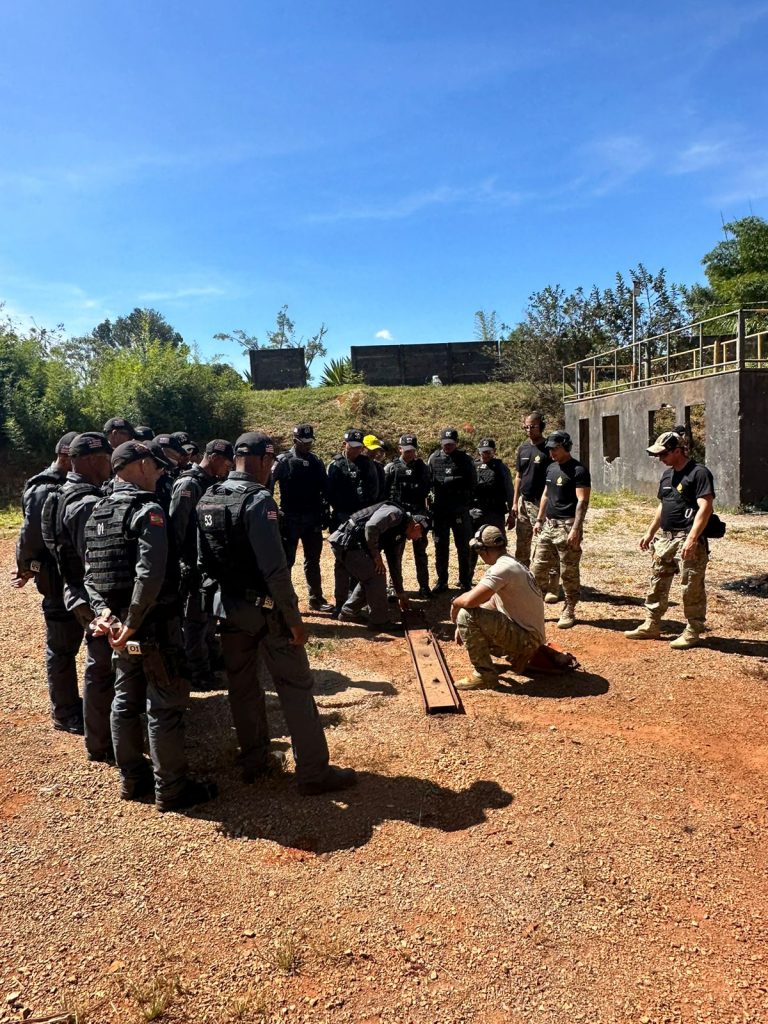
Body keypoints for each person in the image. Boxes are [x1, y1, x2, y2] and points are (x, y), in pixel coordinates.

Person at [197, 431, 356, 796]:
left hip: (229, 610)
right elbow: (275, 571)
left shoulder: (209, 496)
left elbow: (203, 564)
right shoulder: (258, 500)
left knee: (242, 687)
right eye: (270, 462)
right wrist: (294, 621)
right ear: (264, 460)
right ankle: (313, 773)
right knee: (295, 687)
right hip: (267, 613)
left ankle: (255, 762)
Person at [84, 440, 216, 812]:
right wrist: (130, 623)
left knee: (125, 702)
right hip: (152, 625)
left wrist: (105, 616)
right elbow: (150, 575)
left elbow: (90, 575)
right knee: (164, 705)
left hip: (117, 629)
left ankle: (132, 779)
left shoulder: (98, 510)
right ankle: (171, 789)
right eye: (155, 466)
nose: (159, 473)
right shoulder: (148, 510)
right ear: (140, 465)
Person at [41, 431, 116, 761]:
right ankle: (102, 741)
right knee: (101, 668)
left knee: (95, 665)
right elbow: (95, 560)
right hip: (90, 595)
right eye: (105, 459)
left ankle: (100, 735)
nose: (109, 465)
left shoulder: (59, 494)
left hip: (74, 589)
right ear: (90, 461)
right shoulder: (86, 503)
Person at [13, 431, 84, 734]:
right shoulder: (44, 487)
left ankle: (75, 705)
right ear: (67, 456)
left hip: (73, 576)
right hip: (55, 578)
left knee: (74, 646)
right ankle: (65, 712)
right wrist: (26, 566)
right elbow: (29, 536)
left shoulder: (70, 483)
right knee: (61, 649)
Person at [624, 431, 715, 649]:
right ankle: (652, 624)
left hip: (687, 537)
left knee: (691, 585)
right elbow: (662, 505)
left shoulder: (699, 473)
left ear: (678, 451)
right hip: (666, 538)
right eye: (658, 455)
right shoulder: (667, 475)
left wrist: (692, 538)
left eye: (664, 454)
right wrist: (650, 532)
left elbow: (706, 507)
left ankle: (693, 630)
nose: (660, 458)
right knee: (657, 581)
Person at [169, 439, 234, 688]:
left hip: (208, 562)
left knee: (209, 615)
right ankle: (198, 672)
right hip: (192, 564)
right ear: (214, 458)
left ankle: (212, 657)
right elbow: (177, 528)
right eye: (226, 463)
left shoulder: (211, 483)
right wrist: (181, 565)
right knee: (195, 621)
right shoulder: (189, 484)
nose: (228, 468)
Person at [451, 526, 547, 689]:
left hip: (528, 641)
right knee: (470, 619)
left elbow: (469, 601)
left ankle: (484, 675)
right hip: (531, 639)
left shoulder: (501, 569)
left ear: (483, 550)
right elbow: (492, 603)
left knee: (466, 615)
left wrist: (455, 605)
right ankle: (519, 658)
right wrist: (465, 628)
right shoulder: (510, 563)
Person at [329, 501, 429, 631]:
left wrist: (400, 593)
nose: (418, 538)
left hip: (352, 545)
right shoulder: (396, 514)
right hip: (346, 543)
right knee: (376, 575)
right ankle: (379, 622)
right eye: (420, 535)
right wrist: (376, 557)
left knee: (372, 575)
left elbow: (393, 563)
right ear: (416, 527)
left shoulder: (400, 531)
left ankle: (349, 612)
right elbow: (371, 526)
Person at [531, 431, 591, 629]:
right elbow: (546, 495)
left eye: (555, 449)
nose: (552, 452)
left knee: (568, 571)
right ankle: (534, 609)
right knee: (536, 569)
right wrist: (539, 520)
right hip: (549, 525)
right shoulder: (550, 468)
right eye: (549, 449)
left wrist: (576, 529)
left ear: (566, 447)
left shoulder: (579, 470)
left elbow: (582, 501)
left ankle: (569, 609)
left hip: (567, 527)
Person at [271, 424, 334, 612]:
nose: (307, 445)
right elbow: (268, 486)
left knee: (313, 561)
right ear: (294, 441)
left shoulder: (315, 461)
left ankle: (316, 599)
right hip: (290, 519)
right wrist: (274, 511)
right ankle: (286, 602)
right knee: (287, 562)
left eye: (309, 442)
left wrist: (327, 510)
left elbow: (326, 488)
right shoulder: (283, 461)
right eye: (303, 442)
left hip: (312, 518)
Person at [427, 427, 477, 594]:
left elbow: (472, 483)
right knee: (440, 547)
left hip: (459, 509)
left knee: (463, 547)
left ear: (457, 443)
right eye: (445, 443)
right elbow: (429, 482)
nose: (448, 446)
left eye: (451, 444)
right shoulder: (434, 458)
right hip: (440, 511)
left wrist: (454, 482)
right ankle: (442, 581)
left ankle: (465, 581)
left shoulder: (465, 459)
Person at [384, 433, 432, 598]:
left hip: (418, 514)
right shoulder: (391, 468)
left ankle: (424, 586)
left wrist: (424, 515)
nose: (409, 453)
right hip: (399, 516)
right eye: (406, 450)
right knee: (395, 553)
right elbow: (385, 494)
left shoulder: (423, 468)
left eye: (412, 450)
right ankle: (393, 587)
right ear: (400, 449)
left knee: (420, 553)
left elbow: (427, 492)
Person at [468, 438, 514, 575]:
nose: (485, 455)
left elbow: (509, 491)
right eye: (482, 452)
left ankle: (501, 575)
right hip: (476, 512)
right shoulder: (473, 466)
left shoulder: (501, 468)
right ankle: (467, 577)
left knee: (498, 544)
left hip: (495, 513)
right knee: (473, 546)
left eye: (488, 452)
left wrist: (512, 514)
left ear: (494, 452)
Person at [327, 428, 380, 527]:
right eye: (353, 446)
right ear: (344, 444)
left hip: (364, 513)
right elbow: (330, 491)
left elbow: (374, 489)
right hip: (342, 514)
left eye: (359, 447)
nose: (356, 450)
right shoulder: (335, 465)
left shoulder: (367, 463)